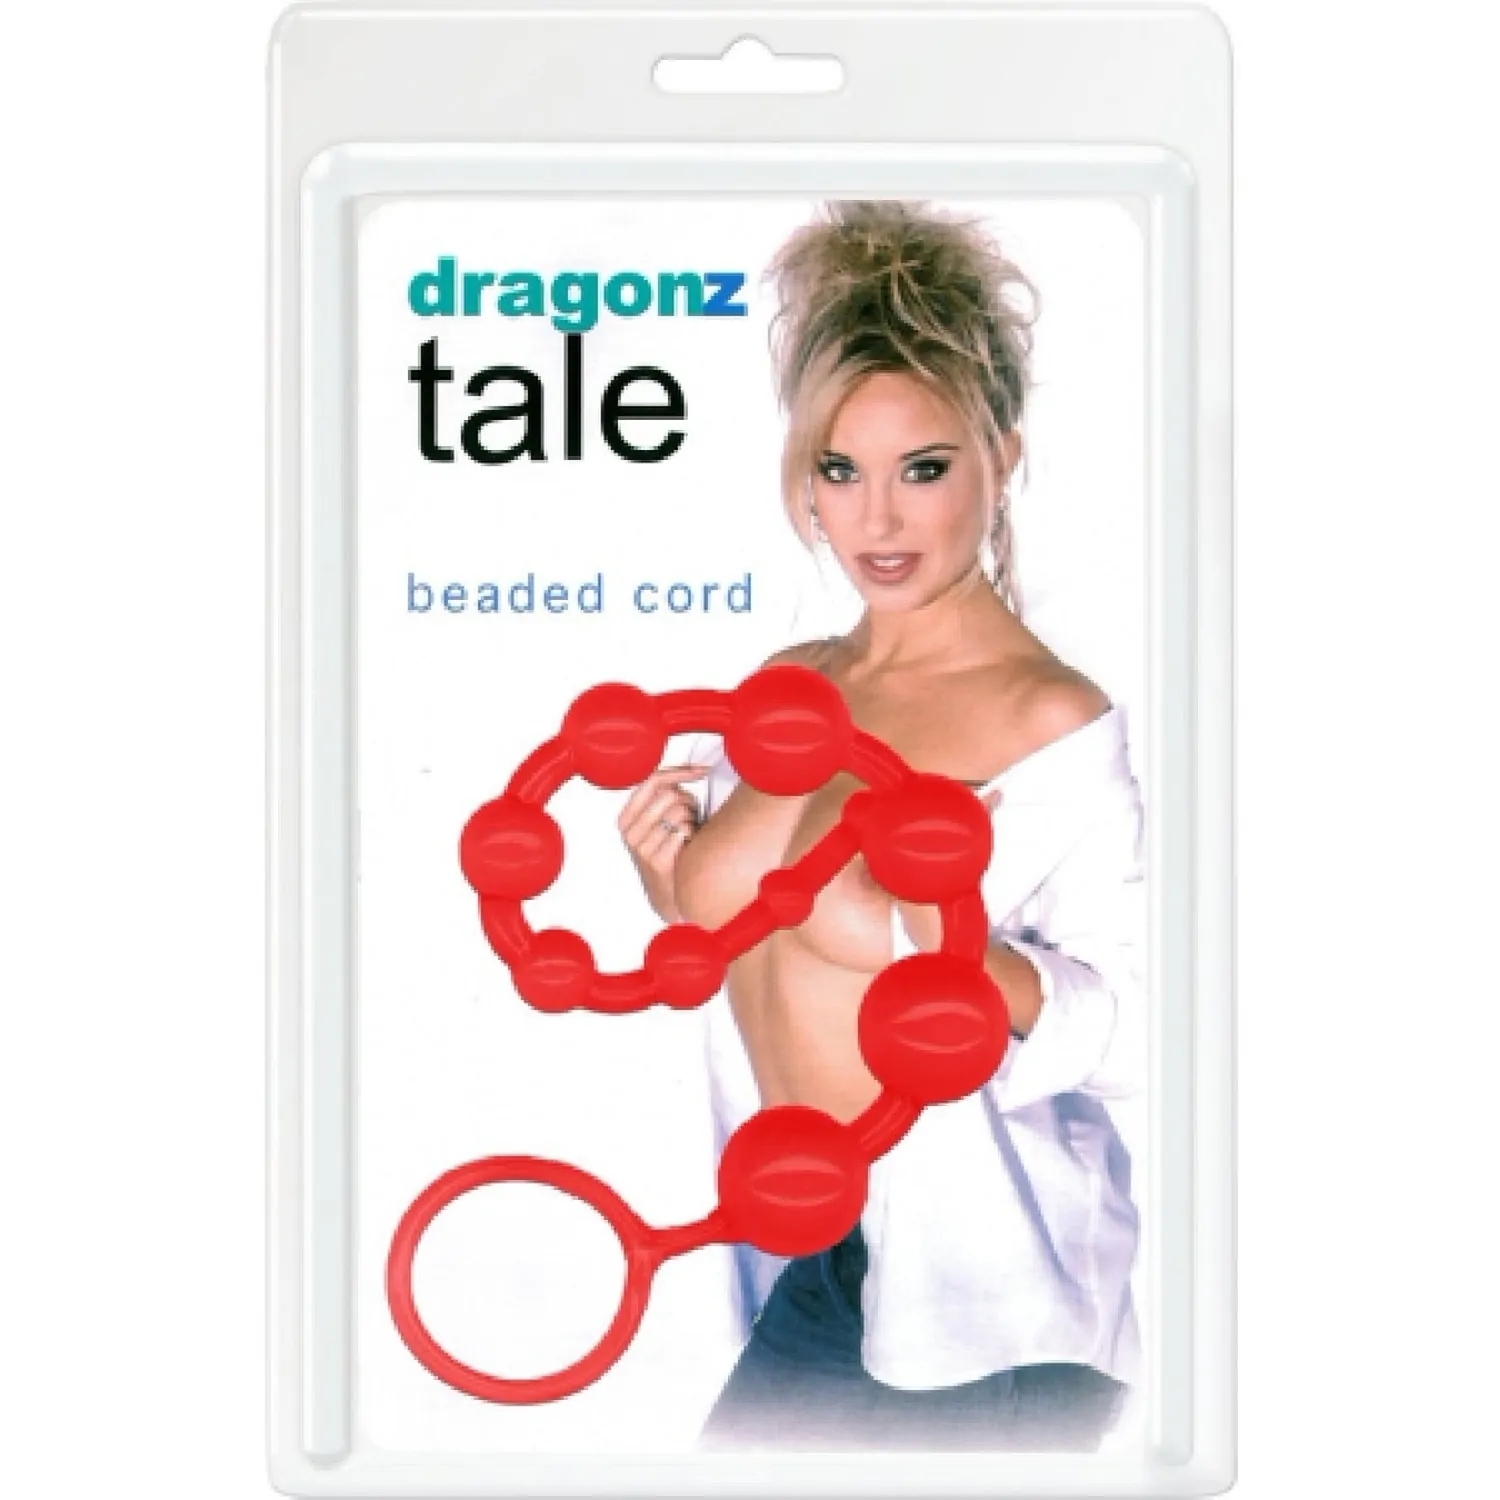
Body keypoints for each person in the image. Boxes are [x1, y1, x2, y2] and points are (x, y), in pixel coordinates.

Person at [616, 200, 1145, 1453]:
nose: (878, 521)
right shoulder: (789, 684)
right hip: (820, 1266)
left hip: (994, 1312)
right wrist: (667, 876)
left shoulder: (1048, 717)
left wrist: (943, 948)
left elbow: (1146, 1034)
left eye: (924, 468)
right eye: (841, 470)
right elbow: (757, 939)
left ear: (1001, 457)